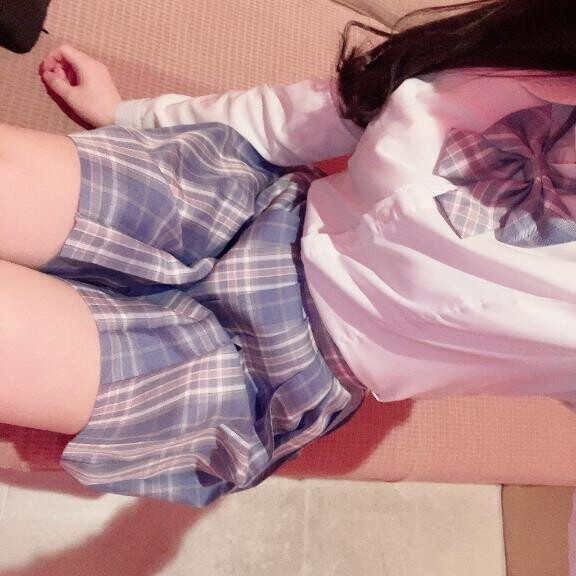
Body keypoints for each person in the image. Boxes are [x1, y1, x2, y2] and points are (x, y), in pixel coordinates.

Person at [3, 0, 576, 506]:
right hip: (239, 207)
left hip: (265, 373)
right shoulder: (533, 47)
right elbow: (321, 111)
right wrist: (133, 117)